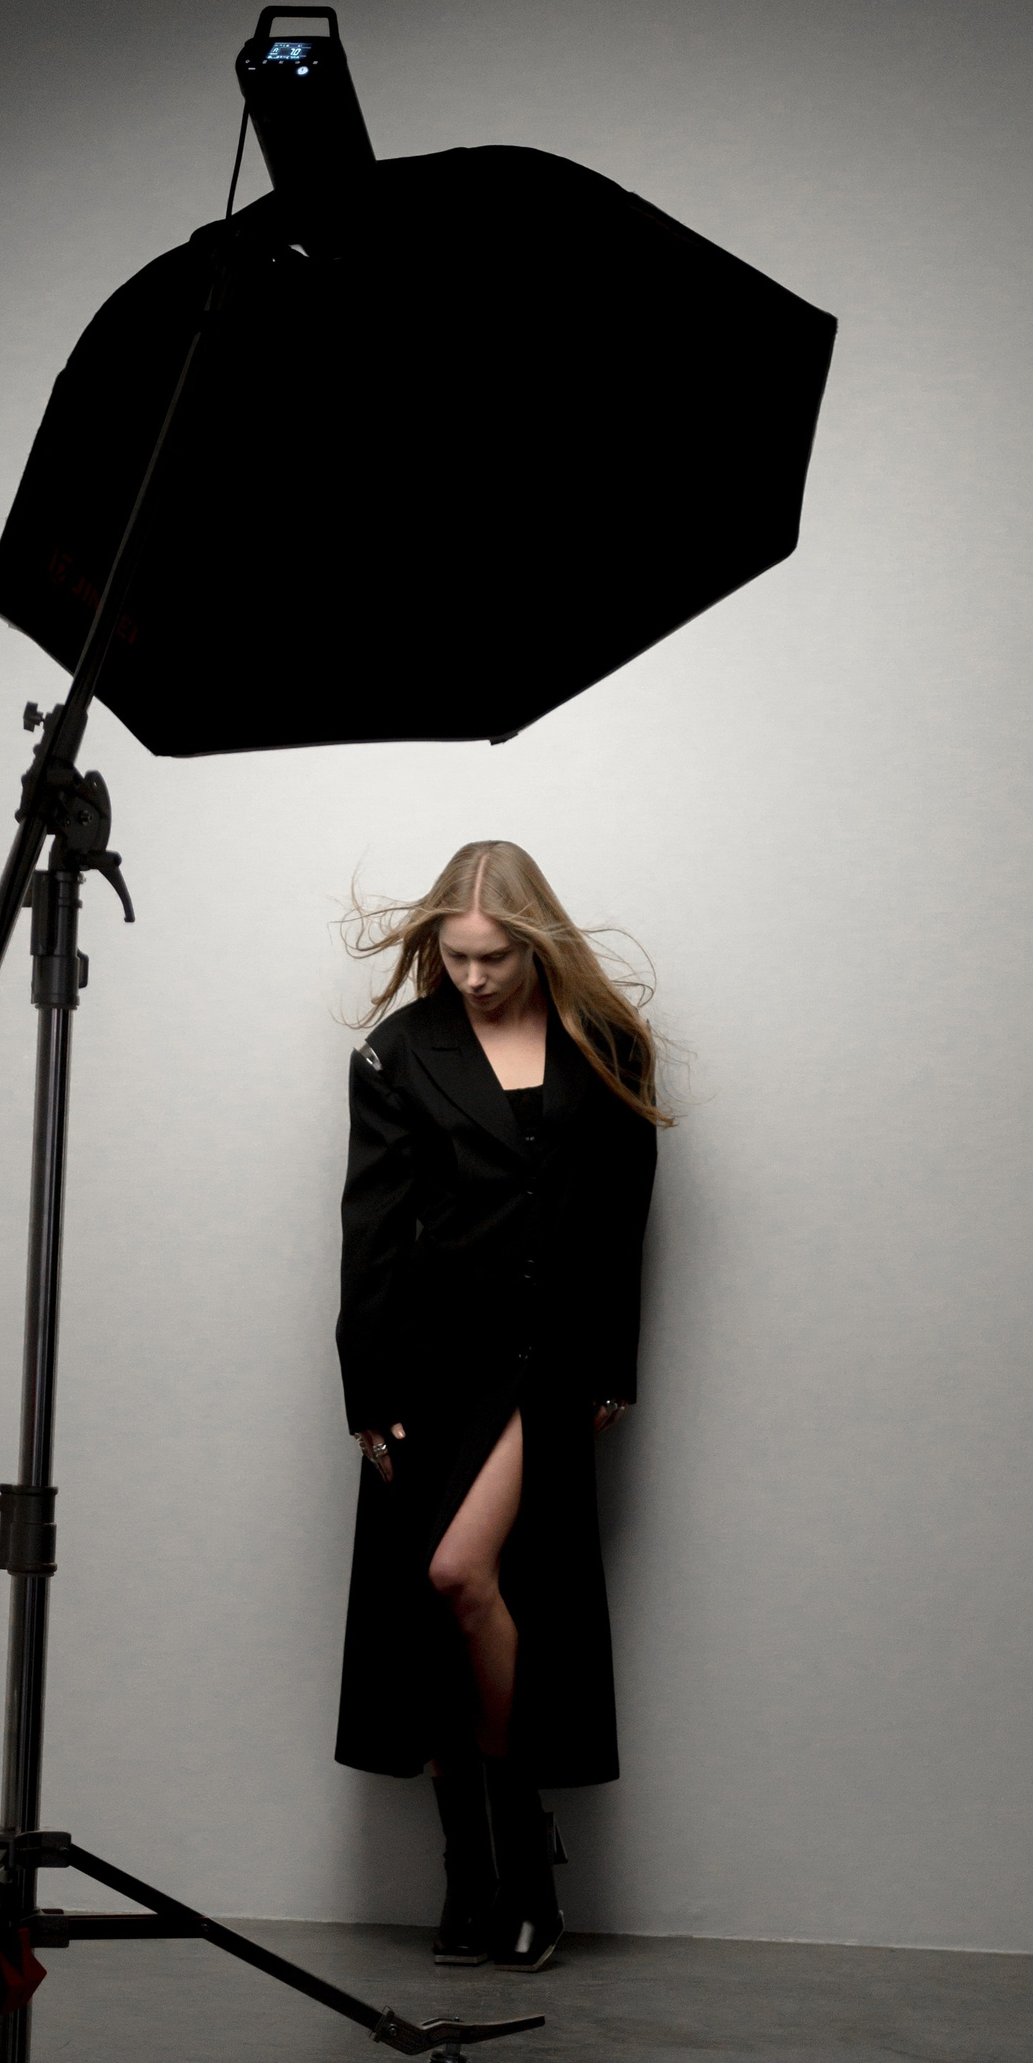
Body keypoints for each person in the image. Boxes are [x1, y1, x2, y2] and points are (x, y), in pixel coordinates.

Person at [334, 839, 669, 1970]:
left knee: (456, 1574)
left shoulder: (607, 1044)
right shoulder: (397, 1052)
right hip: (429, 1361)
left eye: (494, 957)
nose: (472, 977)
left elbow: (624, 1213)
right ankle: (469, 1875)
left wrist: (613, 1361)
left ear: (536, 944)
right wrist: (368, 1389)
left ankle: (526, 1862)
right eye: (455, 955)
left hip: (548, 1359)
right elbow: (372, 1228)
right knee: (431, 1613)